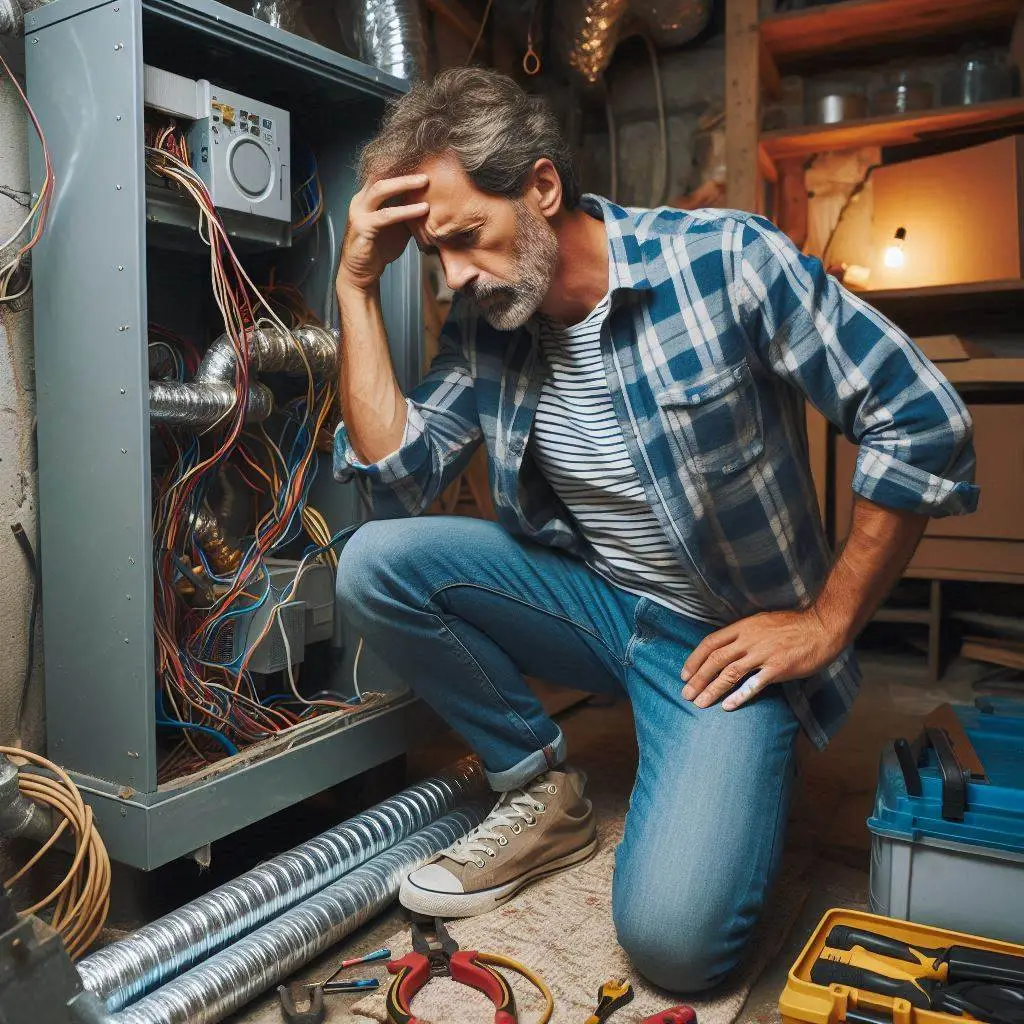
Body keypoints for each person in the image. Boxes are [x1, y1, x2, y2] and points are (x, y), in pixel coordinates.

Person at [332, 67, 978, 992]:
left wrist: (827, 623)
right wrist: (356, 287)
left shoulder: (725, 262)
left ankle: (740, 764)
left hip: (722, 645)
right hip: (596, 606)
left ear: (542, 188)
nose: (456, 278)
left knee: (677, 944)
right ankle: (541, 786)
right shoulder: (487, 326)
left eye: (467, 238)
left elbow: (921, 420)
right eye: (434, 256)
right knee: (375, 564)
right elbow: (396, 482)